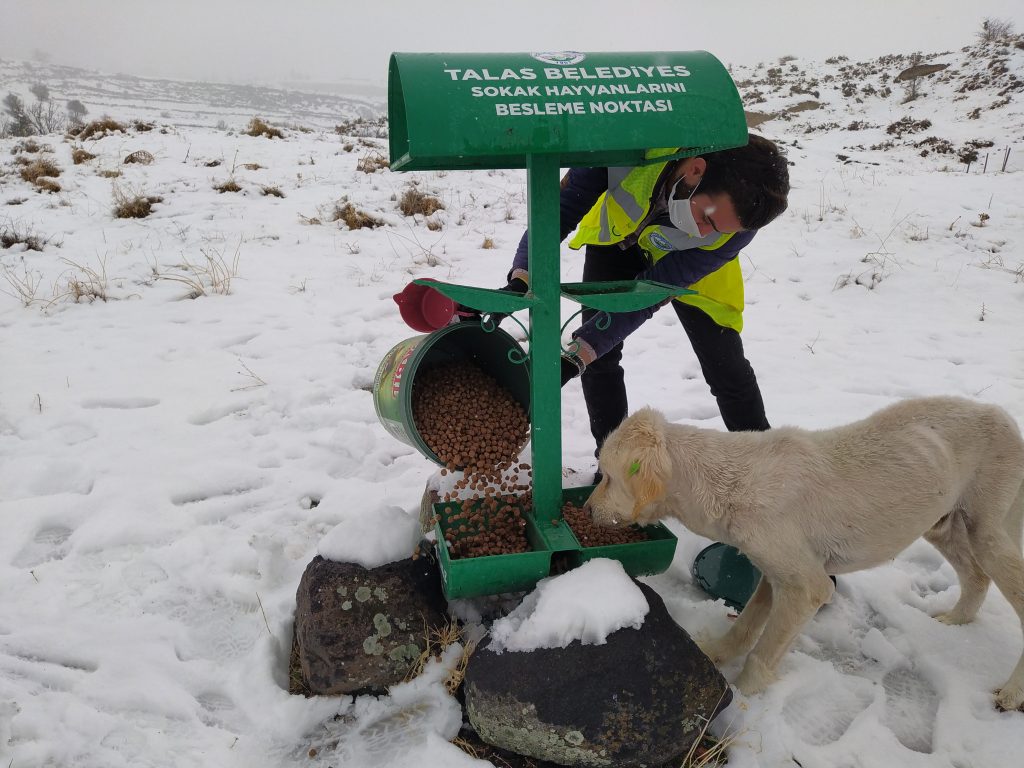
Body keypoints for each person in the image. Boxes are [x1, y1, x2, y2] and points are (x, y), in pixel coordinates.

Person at [496, 133, 791, 464]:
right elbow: (560, 210)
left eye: (720, 229)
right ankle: (615, 469)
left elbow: (652, 293)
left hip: (689, 270)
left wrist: (576, 355)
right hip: (618, 242)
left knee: (727, 368)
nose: (706, 232)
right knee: (600, 360)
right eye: (707, 219)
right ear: (695, 170)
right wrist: (522, 275)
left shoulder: (732, 232)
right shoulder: (626, 141)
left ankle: (767, 468)